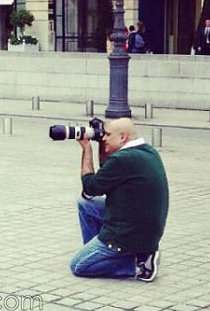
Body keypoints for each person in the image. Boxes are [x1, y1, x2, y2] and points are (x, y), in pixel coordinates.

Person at [70, 118, 169, 281]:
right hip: (144, 228)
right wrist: (102, 146)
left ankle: (138, 265)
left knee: (79, 265)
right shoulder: (146, 151)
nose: (103, 138)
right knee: (86, 205)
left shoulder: (123, 159)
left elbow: (90, 189)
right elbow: (106, 175)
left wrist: (86, 148)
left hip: (129, 231)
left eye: (107, 135)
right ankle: (100, 253)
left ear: (123, 137)